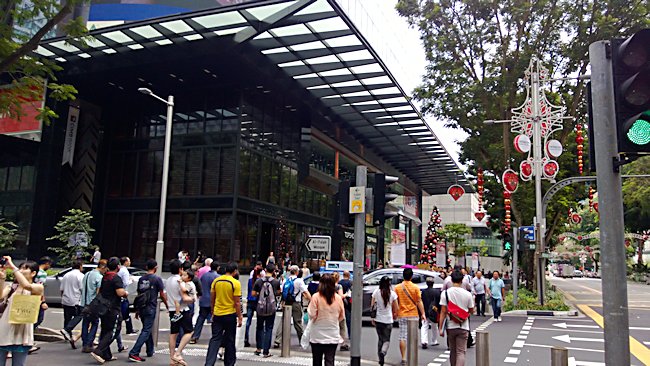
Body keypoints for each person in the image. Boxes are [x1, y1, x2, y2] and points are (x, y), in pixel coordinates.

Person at [0, 256, 44, 366]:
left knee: (18, 364)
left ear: (33, 273)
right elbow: (0, 296)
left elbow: (26, 285)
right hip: (5, 329)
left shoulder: (38, 288)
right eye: (20, 268)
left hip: (22, 332)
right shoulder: (12, 287)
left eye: (25, 268)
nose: (21, 270)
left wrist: (12, 266)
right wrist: (2, 278)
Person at [128, 259, 168, 362]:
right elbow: (162, 294)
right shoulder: (157, 279)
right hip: (151, 307)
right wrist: (167, 305)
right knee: (146, 330)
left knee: (147, 328)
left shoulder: (141, 279)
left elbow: (139, 295)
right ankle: (134, 352)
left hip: (142, 307)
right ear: (156, 268)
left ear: (146, 267)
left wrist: (137, 310)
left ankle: (150, 350)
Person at [91, 257, 128, 364]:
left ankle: (106, 355)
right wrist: (125, 293)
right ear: (118, 267)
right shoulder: (116, 278)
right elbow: (120, 293)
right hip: (113, 308)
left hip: (104, 307)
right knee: (114, 330)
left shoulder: (105, 277)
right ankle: (99, 350)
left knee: (105, 329)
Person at [205, 262, 242, 366]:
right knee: (230, 340)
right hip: (230, 314)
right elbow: (237, 302)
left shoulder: (216, 281)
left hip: (217, 313)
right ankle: (229, 363)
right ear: (235, 271)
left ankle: (209, 363)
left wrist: (212, 311)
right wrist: (239, 316)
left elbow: (212, 298)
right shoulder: (235, 283)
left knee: (215, 339)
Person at [439, 270, 474, 366]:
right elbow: (471, 310)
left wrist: (440, 328)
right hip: (463, 326)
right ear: (462, 280)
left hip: (450, 326)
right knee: (461, 352)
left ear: (451, 279)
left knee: (453, 351)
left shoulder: (445, 294)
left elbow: (443, 311)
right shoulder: (468, 294)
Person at [308, 273, 344, 366]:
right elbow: (341, 316)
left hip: (317, 335)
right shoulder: (338, 298)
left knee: (316, 361)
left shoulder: (316, 297)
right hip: (332, 334)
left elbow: (312, 315)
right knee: (330, 361)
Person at [394, 268, 426, 366]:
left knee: (402, 336)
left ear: (403, 276)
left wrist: (395, 313)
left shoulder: (397, 288)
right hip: (413, 314)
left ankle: (403, 357)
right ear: (412, 276)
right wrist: (423, 313)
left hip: (402, 314)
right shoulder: (415, 287)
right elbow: (419, 301)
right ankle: (412, 356)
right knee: (413, 336)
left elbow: (395, 301)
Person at [273, 265, 311, 348]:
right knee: (297, 322)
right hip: (296, 303)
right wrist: (311, 300)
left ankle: (277, 340)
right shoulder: (299, 281)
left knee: (283, 321)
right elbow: (305, 292)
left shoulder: (285, 280)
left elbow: (282, 292)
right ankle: (302, 340)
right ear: (297, 272)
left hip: (287, 303)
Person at [166, 259, 194, 365]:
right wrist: (192, 299)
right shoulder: (180, 281)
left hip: (173, 310)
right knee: (189, 331)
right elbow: (185, 296)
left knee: (173, 334)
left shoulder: (168, 280)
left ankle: (172, 358)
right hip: (182, 309)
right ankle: (178, 353)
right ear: (180, 269)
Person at [252, 264, 281, 357]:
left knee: (259, 327)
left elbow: (253, 294)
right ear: (273, 271)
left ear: (265, 270)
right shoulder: (276, 281)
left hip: (260, 307)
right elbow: (279, 292)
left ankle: (258, 348)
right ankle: (266, 351)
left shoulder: (259, 281)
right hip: (271, 308)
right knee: (268, 328)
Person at [80, 259, 107, 353]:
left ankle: (84, 343)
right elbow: (98, 292)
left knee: (85, 324)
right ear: (102, 267)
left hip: (83, 302)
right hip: (93, 305)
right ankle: (88, 344)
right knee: (95, 323)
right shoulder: (99, 277)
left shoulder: (87, 274)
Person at [371, 276, 398, 366]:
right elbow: (396, 308)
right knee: (386, 340)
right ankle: (383, 352)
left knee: (380, 339)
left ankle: (380, 358)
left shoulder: (376, 292)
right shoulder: (392, 294)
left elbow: (372, 306)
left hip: (378, 319)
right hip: (388, 319)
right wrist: (395, 316)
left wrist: (372, 318)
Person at [191, 260, 219, 344]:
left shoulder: (204, 275)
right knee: (214, 319)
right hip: (212, 300)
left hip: (203, 299)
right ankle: (215, 337)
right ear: (218, 268)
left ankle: (195, 336)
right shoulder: (217, 277)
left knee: (201, 318)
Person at [59, 259, 85, 348]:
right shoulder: (80, 276)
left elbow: (61, 289)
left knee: (67, 317)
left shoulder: (66, 275)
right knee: (80, 315)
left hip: (66, 299)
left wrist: (62, 298)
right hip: (76, 300)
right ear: (80, 266)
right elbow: (82, 289)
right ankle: (67, 329)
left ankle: (68, 335)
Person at [118, 257, 137, 336]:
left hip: (120, 293)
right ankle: (129, 328)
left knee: (125, 311)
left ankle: (129, 328)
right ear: (125, 262)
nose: (130, 262)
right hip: (123, 292)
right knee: (125, 311)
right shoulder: (124, 271)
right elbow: (125, 283)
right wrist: (130, 280)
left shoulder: (120, 270)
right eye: (129, 261)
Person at [244, 267, 262, 347]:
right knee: (259, 323)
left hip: (250, 301)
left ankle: (245, 338)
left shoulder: (250, 281)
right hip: (257, 301)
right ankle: (259, 342)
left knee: (248, 321)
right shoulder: (260, 281)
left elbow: (249, 290)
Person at [421, 277, 441, 349]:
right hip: (434, 311)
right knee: (434, 326)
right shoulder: (437, 292)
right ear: (433, 283)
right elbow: (439, 303)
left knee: (424, 326)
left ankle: (424, 341)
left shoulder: (423, 292)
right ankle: (434, 340)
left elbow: (421, 302)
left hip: (425, 310)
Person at [331, 272, 349, 351]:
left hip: (330, 307)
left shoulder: (328, 286)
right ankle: (343, 343)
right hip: (338, 306)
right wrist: (346, 294)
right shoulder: (338, 286)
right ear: (338, 278)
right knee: (342, 326)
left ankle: (331, 341)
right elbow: (341, 296)